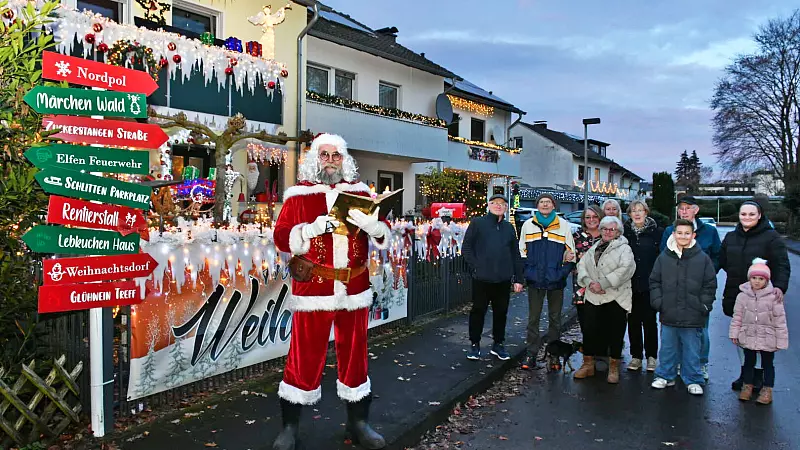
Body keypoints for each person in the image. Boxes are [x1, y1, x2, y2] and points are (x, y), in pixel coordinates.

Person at [272, 133, 390, 450]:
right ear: (315, 159)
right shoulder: (298, 195)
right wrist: (309, 230)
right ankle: (289, 428)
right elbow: (281, 237)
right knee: (304, 356)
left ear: (344, 159)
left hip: (354, 288)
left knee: (355, 357)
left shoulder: (360, 192)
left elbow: (383, 234)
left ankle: (359, 423)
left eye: (336, 155)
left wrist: (374, 227)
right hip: (314, 289)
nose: (330, 161)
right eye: (324, 155)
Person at [720, 200, 790, 392]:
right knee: (742, 336)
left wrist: (780, 287)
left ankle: (759, 375)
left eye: (752, 214)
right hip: (738, 294)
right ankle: (746, 374)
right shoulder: (731, 237)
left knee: (761, 338)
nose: (747, 217)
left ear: (759, 215)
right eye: (743, 214)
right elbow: (721, 261)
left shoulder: (771, 238)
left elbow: (782, 264)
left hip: (763, 298)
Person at [649, 219, 717, 396]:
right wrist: (658, 302)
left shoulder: (702, 258)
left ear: (693, 235)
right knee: (668, 348)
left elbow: (710, 284)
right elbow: (654, 281)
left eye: (687, 233)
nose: (683, 236)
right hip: (669, 312)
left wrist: (704, 304)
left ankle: (693, 379)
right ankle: (665, 375)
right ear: (673, 234)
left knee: (692, 349)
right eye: (679, 233)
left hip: (693, 314)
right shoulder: (664, 257)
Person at [660, 195, 720, 380]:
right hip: (674, 289)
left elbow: (718, 256)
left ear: (696, 210)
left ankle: (701, 364)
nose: (684, 211)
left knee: (700, 331)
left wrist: (706, 273)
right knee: (674, 330)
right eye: (681, 208)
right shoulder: (669, 231)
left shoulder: (709, 231)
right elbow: (663, 257)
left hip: (697, 290)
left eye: (688, 208)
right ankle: (678, 363)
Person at [462, 194, 524, 361]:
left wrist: (519, 278)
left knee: (501, 313)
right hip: (482, 278)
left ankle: (498, 344)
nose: (498, 206)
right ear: (488, 205)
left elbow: (515, 253)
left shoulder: (508, 227)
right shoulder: (478, 223)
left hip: (503, 279)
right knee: (478, 311)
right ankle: (475, 344)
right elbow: (466, 247)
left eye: (502, 204)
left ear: (506, 208)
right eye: (494, 203)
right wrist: (477, 266)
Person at [574, 216, 636, 384]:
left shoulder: (625, 249)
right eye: (605, 229)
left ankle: (614, 367)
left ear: (618, 232)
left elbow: (626, 269)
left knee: (615, 332)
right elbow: (582, 266)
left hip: (616, 297)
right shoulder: (594, 247)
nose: (608, 232)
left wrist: (603, 284)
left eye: (612, 229)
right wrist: (589, 283)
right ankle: (588, 364)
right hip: (593, 296)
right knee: (589, 331)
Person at [518, 193, 576, 369]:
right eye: (542, 202)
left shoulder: (563, 225)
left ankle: (554, 355)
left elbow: (571, 254)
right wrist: (528, 273)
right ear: (537, 205)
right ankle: (531, 355)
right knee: (533, 319)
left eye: (548, 202)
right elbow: (522, 252)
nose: (545, 204)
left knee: (555, 319)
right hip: (535, 280)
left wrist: (561, 274)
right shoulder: (528, 225)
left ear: (553, 205)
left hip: (555, 281)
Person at [729, 258, 789, 405]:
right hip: (748, 335)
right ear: (749, 278)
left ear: (767, 280)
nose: (757, 281)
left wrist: (781, 341)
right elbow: (737, 317)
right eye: (754, 278)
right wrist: (734, 333)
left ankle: (767, 389)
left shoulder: (774, 298)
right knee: (748, 362)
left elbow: (780, 321)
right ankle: (747, 386)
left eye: (761, 279)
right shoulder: (742, 296)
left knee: (767, 364)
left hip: (767, 337)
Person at [623, 200, 663, 372]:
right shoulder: (624, 233)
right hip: (630, 284)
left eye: (640, 210)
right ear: (629, 214)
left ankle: (652, 357)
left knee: (649, 321)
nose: (637, 213)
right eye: (634, 211)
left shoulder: (657, 232)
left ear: (646, 212)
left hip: (650, 283)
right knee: (633, 321)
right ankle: (636, 356)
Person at [571, 205, 603, 335]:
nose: (591, 220)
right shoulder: (576, 237)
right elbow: (568, 259)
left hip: (603, 287)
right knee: (586, 325)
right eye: (588, 217)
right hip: (582, 287)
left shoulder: (607, 236)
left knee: (602, 325)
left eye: (595, 216)